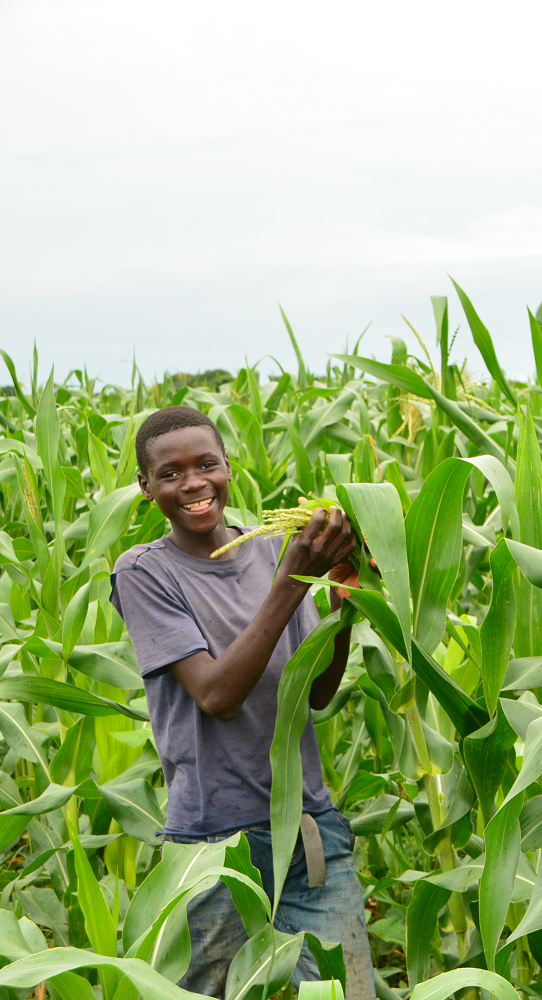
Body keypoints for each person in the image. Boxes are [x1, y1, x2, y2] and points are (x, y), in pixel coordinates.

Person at [109, 405, 376, 1000]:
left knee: (346, 991)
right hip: (215, 848)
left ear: (229, 467)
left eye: (207, 464)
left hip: (309, 833)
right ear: (145, 488)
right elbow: (216, 695)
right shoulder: (146, 573)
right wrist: (292, 579)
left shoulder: (272, 550)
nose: (194, 483)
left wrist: (343, 600)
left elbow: (319, 692)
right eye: (171, 473)